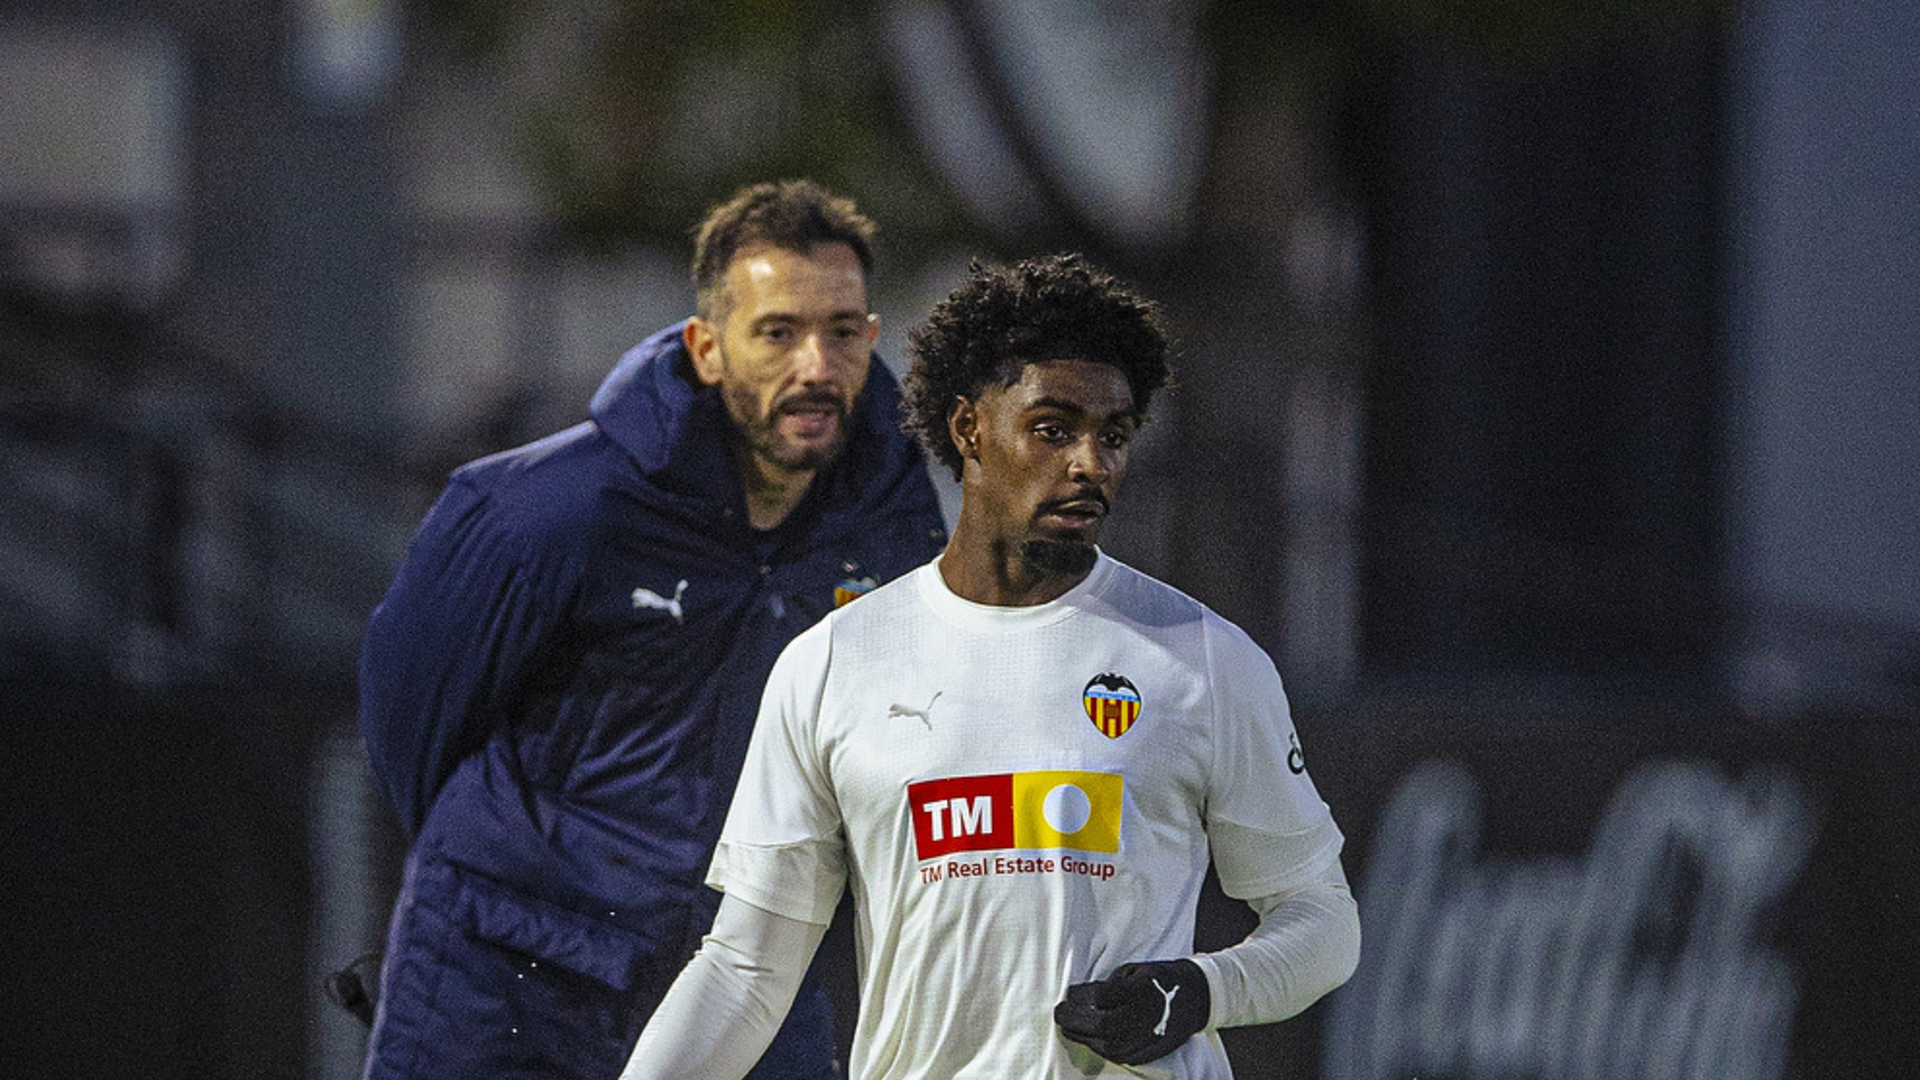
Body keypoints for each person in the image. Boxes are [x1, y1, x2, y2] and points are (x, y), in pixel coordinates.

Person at [618, 253, 1361, 1080]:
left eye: (1112, 435)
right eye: (1054, 429)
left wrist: (1199, 989)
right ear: (969, 427)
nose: (1091, 463)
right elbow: (748, 972)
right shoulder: (832, 664)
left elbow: (1323, 922)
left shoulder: (1205, 660)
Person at [354, 179, 948, 1080]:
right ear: (707, 349)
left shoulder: (897, 526)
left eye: (840, 331)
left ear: (872, 340)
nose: (816, 367)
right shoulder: (548, 509)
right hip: (511, 972)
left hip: (749, 980)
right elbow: (411, 720)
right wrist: (523, 872)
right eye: (778, 332)